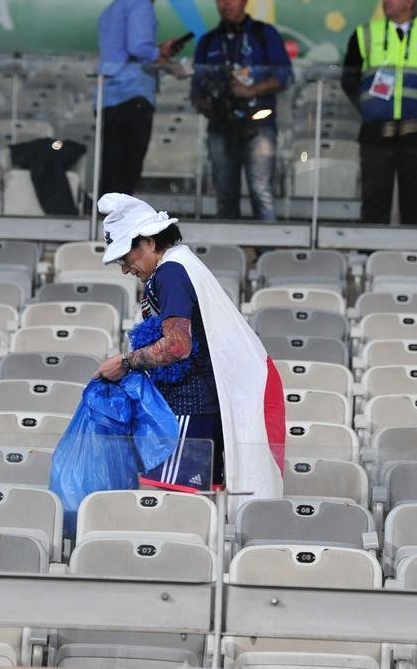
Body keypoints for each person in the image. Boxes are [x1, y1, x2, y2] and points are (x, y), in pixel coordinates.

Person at [93, 192, 284, 500]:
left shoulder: (171, 272)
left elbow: (177, 346)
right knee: (190, 501)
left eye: (126, 258)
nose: (125, 269)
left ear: (150, 242)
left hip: (193, 402)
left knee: (167, 501)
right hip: (203, 399)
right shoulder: (180, 264)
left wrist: (125, 363)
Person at [340, 0, 417, 225]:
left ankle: (413, 255)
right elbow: (349, 80)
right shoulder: (365, 34)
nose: (386, 0)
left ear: (409, 0)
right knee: (375, 198)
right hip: (377, 128)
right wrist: (369, 108)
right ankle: (372, 254)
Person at [190, 0, 293, 220]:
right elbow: (195, 89)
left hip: (258, 123)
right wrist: (207, 103)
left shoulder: (263, 34)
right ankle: (230, 255)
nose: (227, 3)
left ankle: (267, 256)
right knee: (224, 195)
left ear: (245, 0)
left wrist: (250, 91)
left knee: (261, 192)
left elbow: (284, 75)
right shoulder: (208, 42)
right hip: (220, 126)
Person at [96, 0, 182, 196]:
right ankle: (120, 231)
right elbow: (138, 48)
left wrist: (157, 51)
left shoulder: (113, 7)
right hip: (132, 95)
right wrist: (166, 60)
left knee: (110, 170)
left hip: (107, 96)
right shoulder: (141, 4)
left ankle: (104, 228)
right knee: (126, 173)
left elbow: (123, 48)